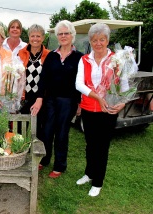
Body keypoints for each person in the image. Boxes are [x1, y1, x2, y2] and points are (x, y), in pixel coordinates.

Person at [75, 23, 125, 197]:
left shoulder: (116, 60)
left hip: (108, 110)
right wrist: (97, 97)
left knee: (102, 146)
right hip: (89, 108)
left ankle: (98, 182)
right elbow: (78, 84)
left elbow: (124, 85)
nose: (98, 43)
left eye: (102, 39)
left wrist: (123, 103)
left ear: (107, 40)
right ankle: (89, 173)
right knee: (90, 144)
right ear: (90, 41)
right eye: (95, 40)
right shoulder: (84, 60)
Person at [39, 20, 84, 178]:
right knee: (47, 131)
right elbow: (43, 79)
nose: (63, 36)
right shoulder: (51, 56)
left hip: (68, 101)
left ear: (72, 35)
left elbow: (82, 82)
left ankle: (59, 165)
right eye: (60, 34)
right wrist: (40, 98)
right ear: (57, 36)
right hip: (50, 99)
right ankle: (44, 160)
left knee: (62, 133)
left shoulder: (80, 57)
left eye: (66, 33)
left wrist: (80, 103)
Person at [18, 24, 50, 139]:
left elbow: (48, 79)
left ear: (43, 37)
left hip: (40, 99)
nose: (35, 39)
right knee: (20, 130)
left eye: (38, 36)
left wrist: (41, 98)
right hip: (24, 97)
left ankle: (36, 156)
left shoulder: (49, 55)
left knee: (38, 131)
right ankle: (20, 155)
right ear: (29, 37)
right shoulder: (21, 53)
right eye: (32, 36)